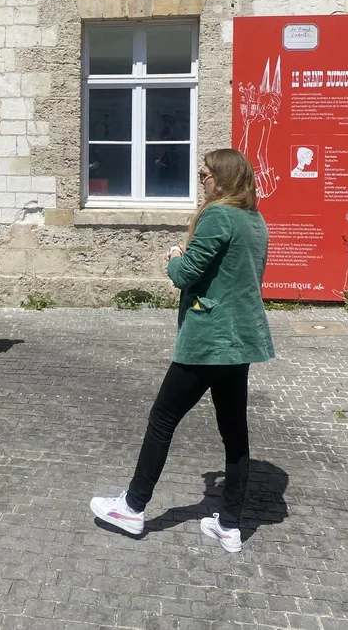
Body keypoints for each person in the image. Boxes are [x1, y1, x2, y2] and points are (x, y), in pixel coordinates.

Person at [90, 149, 275, 552]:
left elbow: (187, 274)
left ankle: (133, 507)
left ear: (223, 178)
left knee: (162, 419)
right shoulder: (255, 220)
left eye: (206, 174)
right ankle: (229, 525)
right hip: (240, 340)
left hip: (209, 339)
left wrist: (174, 257)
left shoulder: (218, 215)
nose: (201, 180)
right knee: (234, 433)